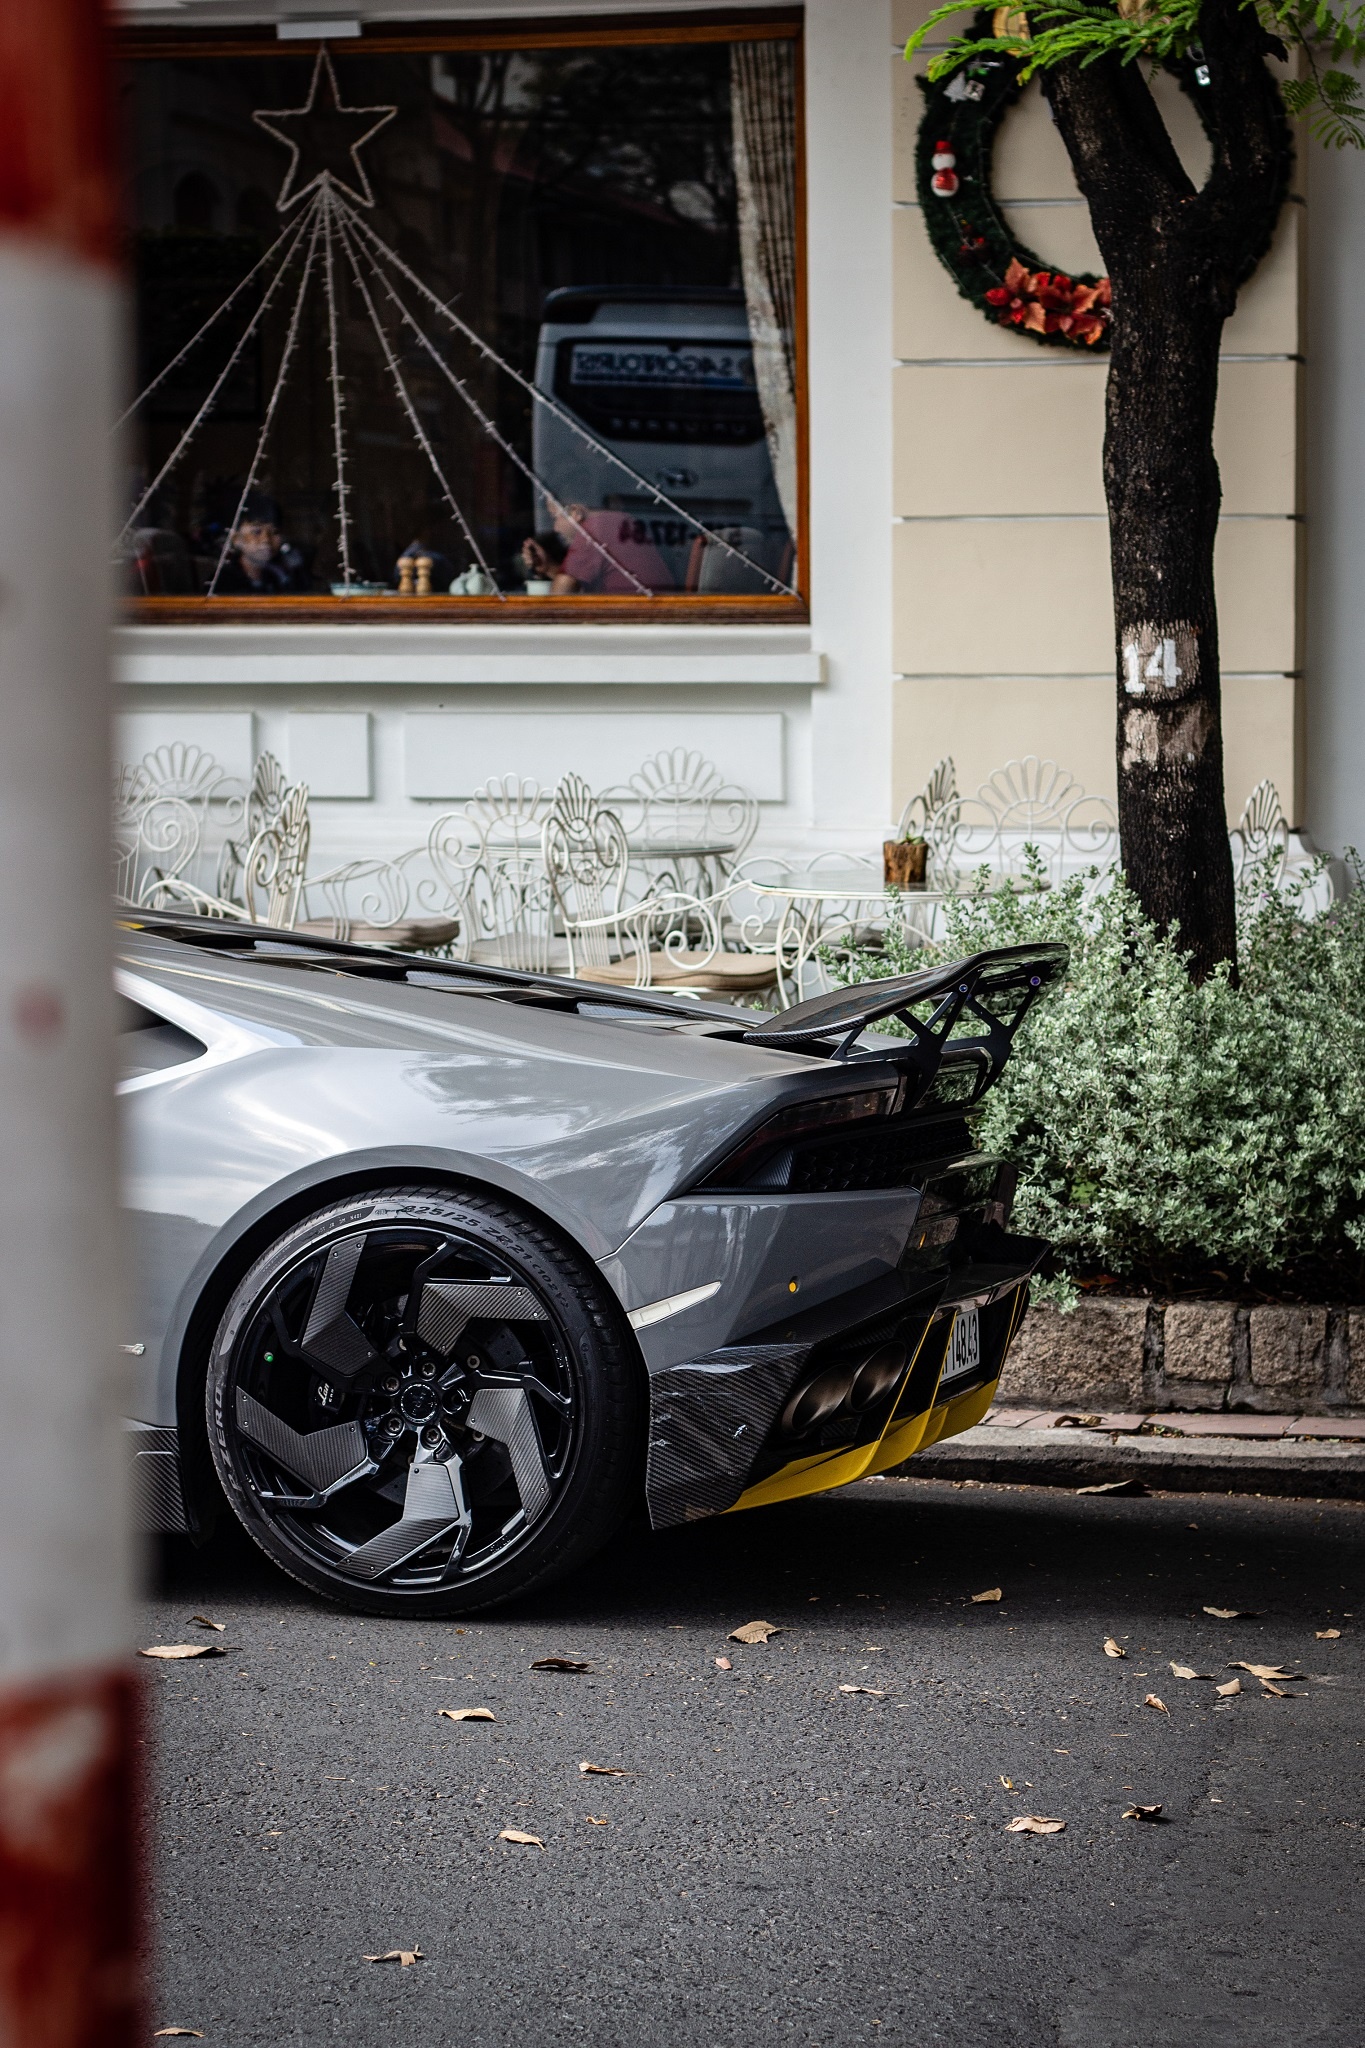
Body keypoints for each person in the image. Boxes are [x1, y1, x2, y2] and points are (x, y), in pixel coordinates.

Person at [547, 501, 672, 595]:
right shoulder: (620, 520)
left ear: (575, 513)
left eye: (554, 517)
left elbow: (561, 594)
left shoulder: (594, 529)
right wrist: (549, 569)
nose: (555, 528)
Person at [212, 491, 313, 595]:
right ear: (236, 539)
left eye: (275, 532)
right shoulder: (223, 584)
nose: (266, 539)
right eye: (257, 532)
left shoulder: (278, 578)